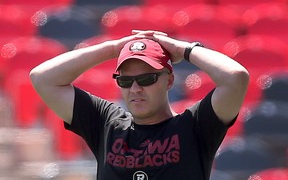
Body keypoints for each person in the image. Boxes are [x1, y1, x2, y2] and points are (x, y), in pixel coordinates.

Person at [30, 30, 249, 180]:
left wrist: (182, 49)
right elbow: (43, 78)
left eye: (147, 79)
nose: (135, 89)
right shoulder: (107, 123)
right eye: (125, 81)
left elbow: (236, 78)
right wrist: (114, 48)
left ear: (169, 81)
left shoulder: (194, 127)